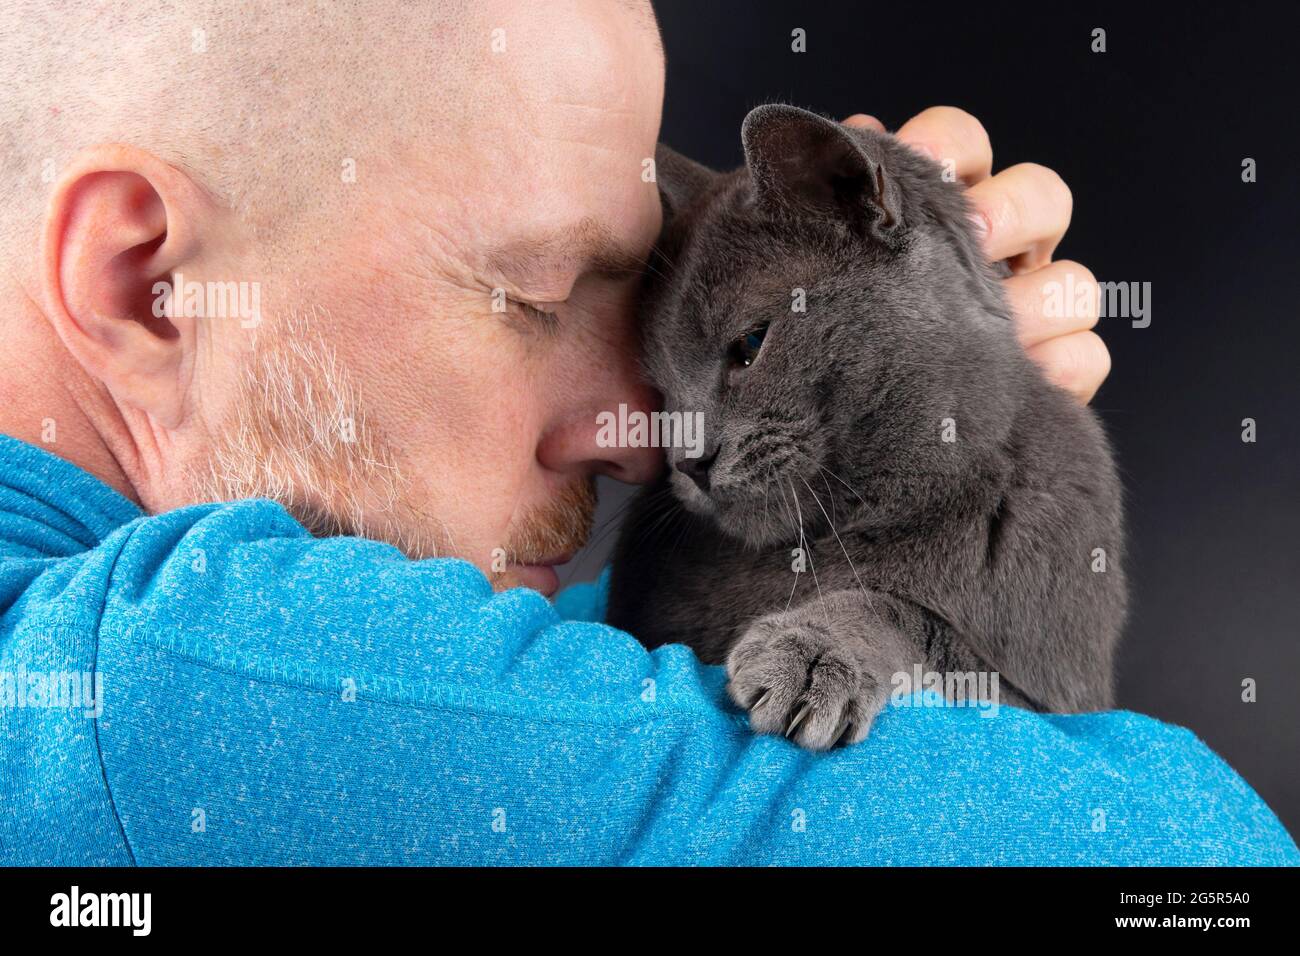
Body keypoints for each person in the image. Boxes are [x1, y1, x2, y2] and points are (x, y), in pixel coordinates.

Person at [0, 0, 1292, 865]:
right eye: (536, 295)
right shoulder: (173, 685)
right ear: (146, 281)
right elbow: (1188, 851)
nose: (638, 434)